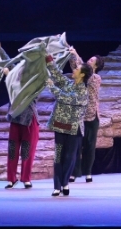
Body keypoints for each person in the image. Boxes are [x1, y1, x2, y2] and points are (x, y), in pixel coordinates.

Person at [45, 51, 92, 197]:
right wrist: (48, 59)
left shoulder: (83, 92)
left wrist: (51, 87)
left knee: (69, 158)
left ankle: (65, 182)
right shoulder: (68, 84)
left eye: (77, 69)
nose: (74, 70)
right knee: (58, 156)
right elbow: (57, 75)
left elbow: (66, 98)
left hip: (73, 129)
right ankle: (57, 186)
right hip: (60, 125)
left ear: (82, 75)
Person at [71, 51, 104, 183]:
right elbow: (74, 65)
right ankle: (74, 172)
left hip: (91, 115)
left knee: (90, 146)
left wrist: (76, 54)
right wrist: (71, 52)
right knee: (76, 146)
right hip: (79, 114)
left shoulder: (96, 78)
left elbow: (87, 75)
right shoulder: (80, 73)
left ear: (96, 66)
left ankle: (88, 172)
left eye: (91, 60)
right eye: (89, 59)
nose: (88, 61)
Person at [4, 84, 40, 190]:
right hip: (15, 117)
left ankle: (26, 178)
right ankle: (11, 178)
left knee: (27, 151)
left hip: (29, 118)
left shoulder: (35, 82)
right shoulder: (14, 81)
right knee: (12, 150)